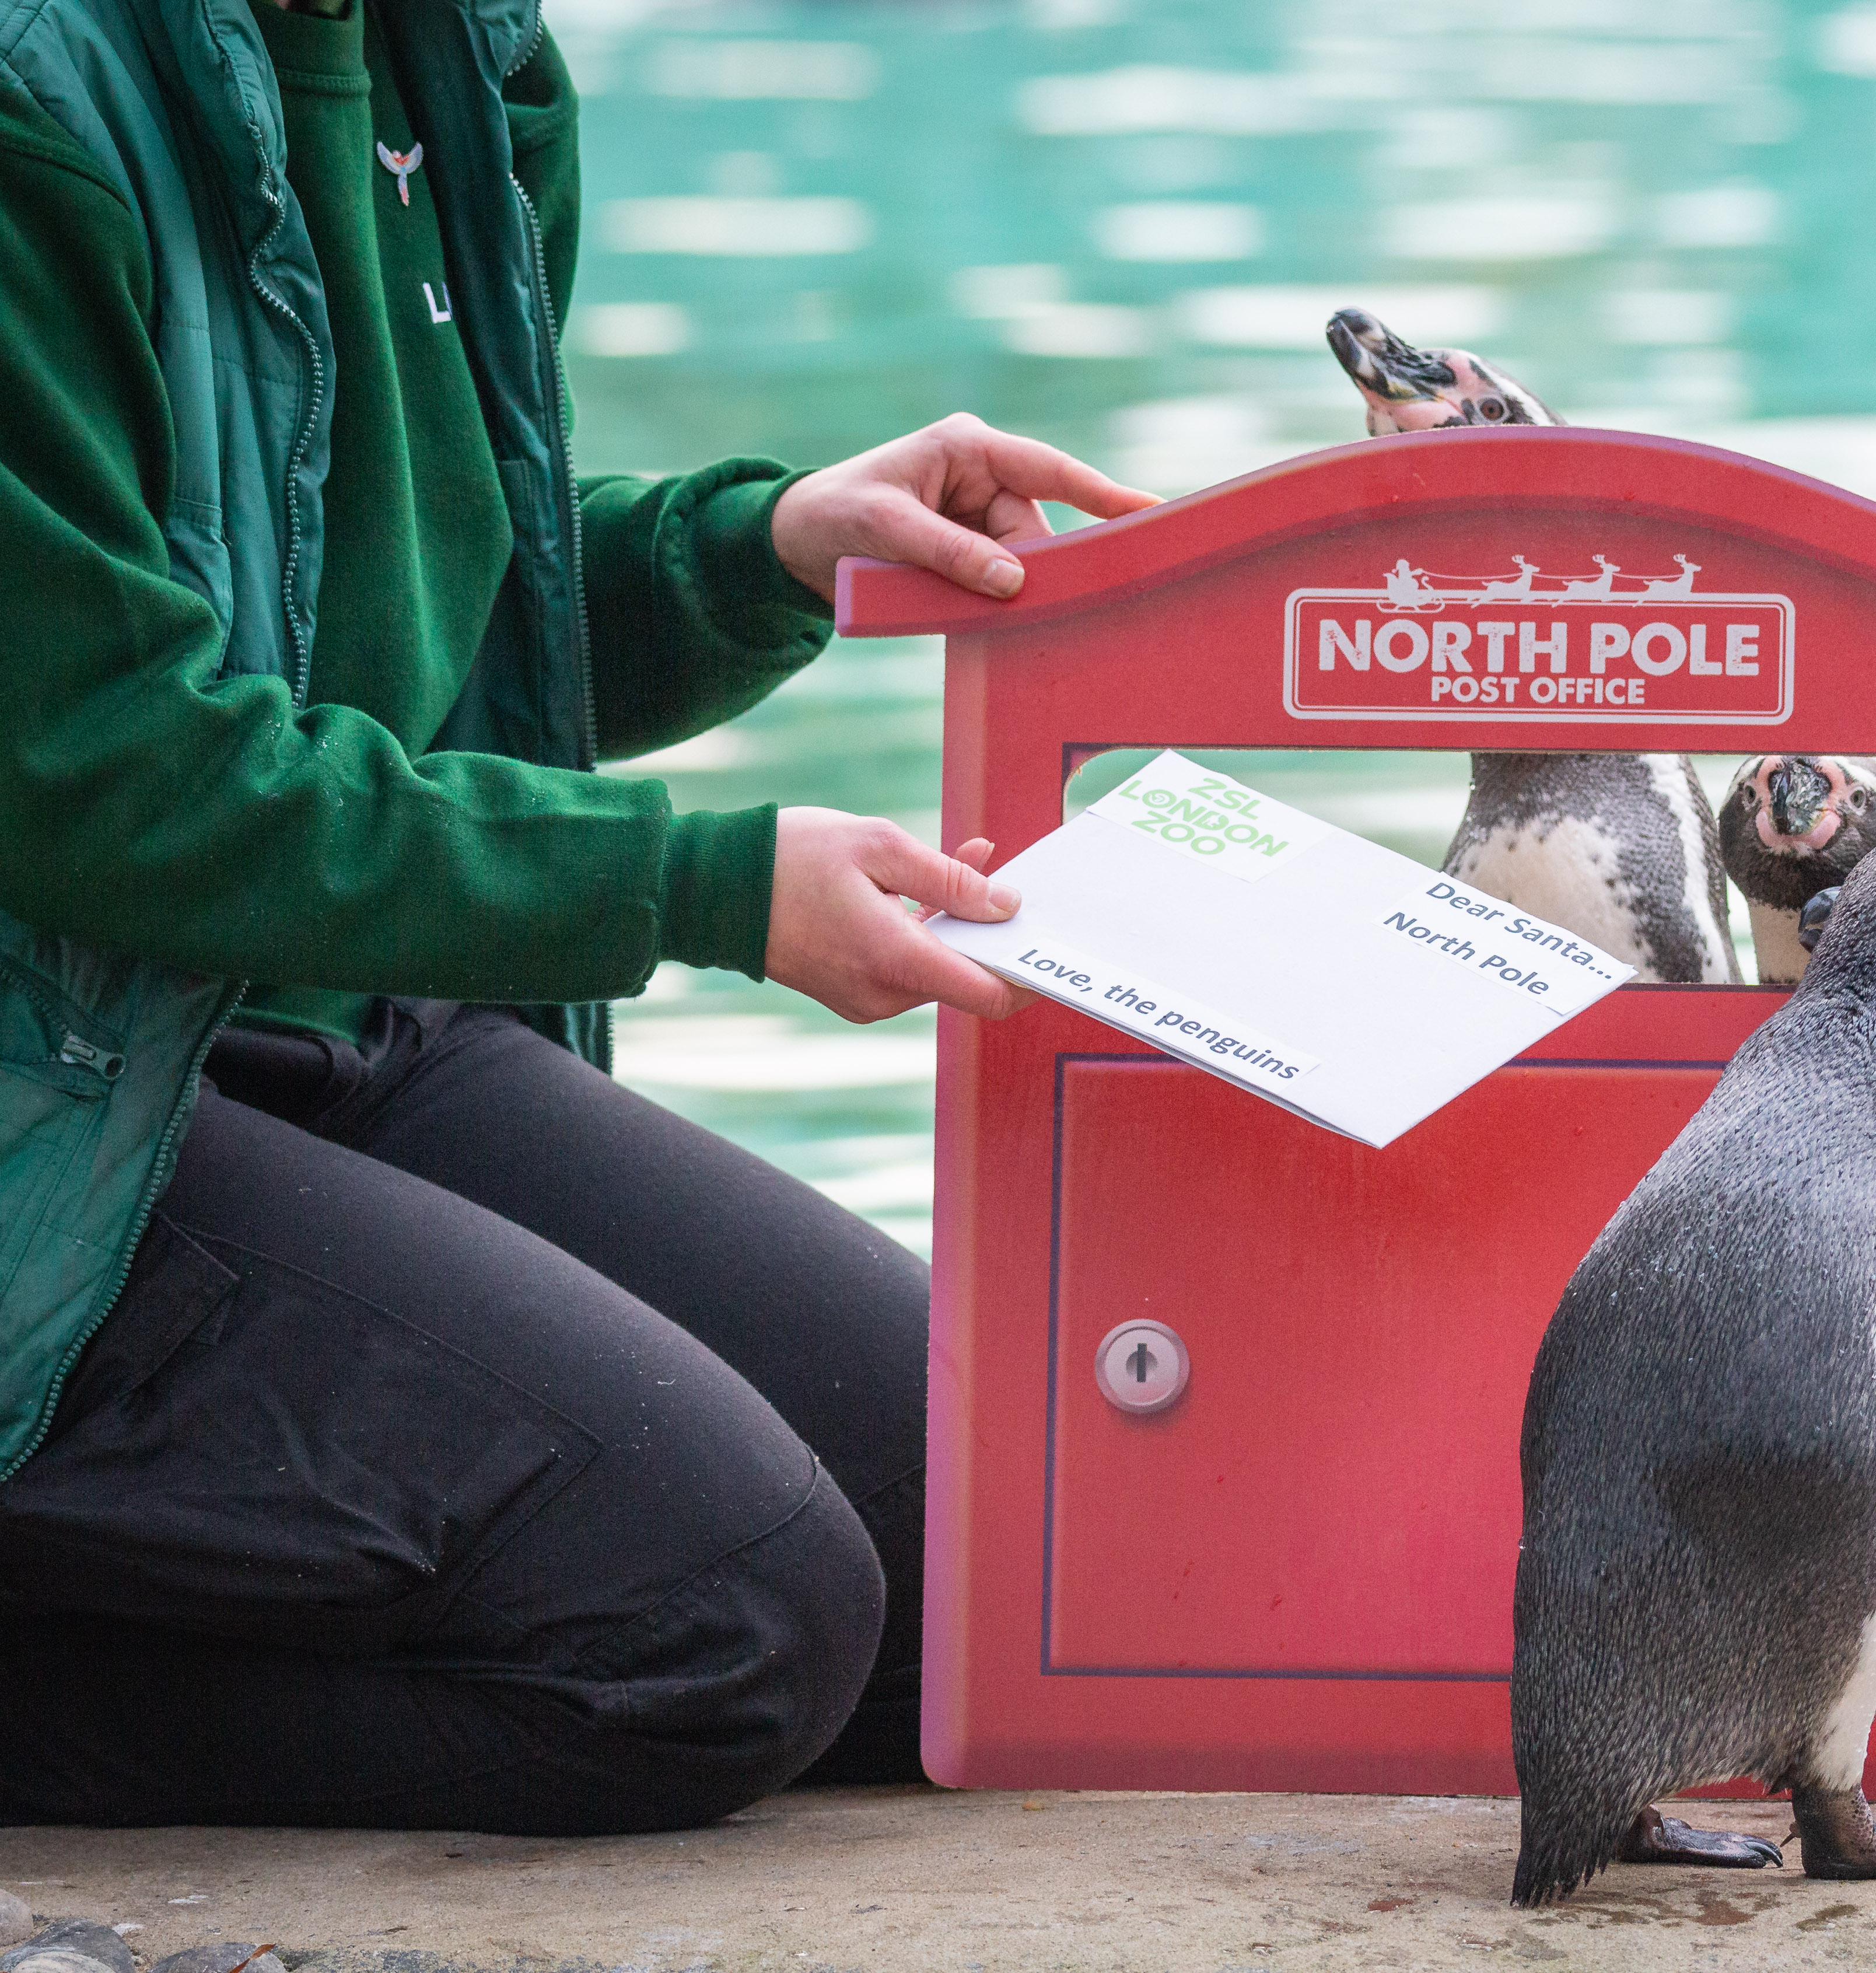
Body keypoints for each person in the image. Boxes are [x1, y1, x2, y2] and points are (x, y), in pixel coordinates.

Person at [0, 0, 1154, 1832]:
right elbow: (100, 773)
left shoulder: (467, 63)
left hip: (324, 1014)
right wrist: (692, 885)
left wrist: (764, 549)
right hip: (47, 1108)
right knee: (721, 1632)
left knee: (1006, 1574)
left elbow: (393, 649)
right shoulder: (30, 101)